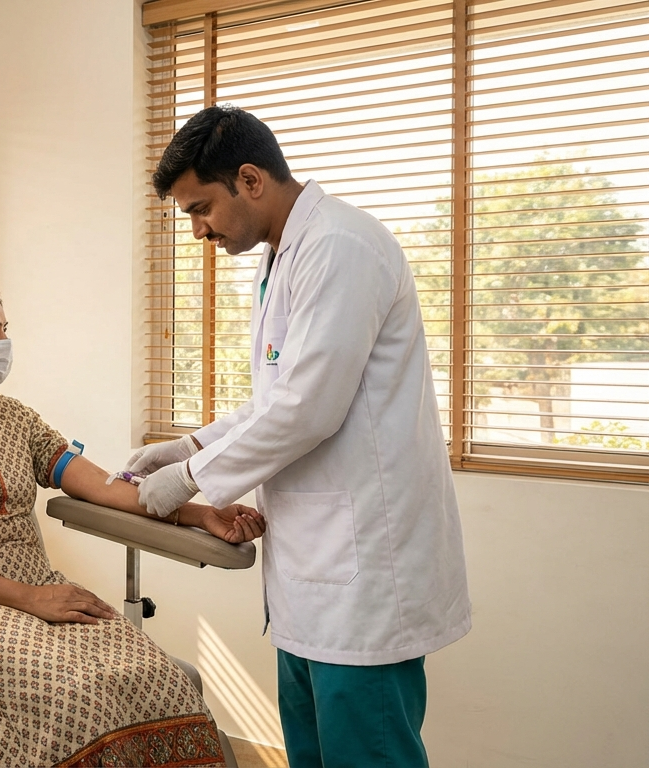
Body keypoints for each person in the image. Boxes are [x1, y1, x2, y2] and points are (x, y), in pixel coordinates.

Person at [129, 105, 472, 768]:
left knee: (366, 754)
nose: (197, 229)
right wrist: (187, 448)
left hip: (363, 575)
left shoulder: (341, 246)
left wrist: (188, 481)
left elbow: (310, 407)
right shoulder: (284, 257)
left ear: (250, 180)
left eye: (200, 208)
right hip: (314, 577)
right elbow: (276, 400)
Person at [0, 279, 265, 768]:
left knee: (156, 675)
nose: (3, 344)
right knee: (76, 696)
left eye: (5, 330)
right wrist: (29, 599)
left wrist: (196, 512)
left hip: (41, 590)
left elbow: (102, 485)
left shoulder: (13, 418)